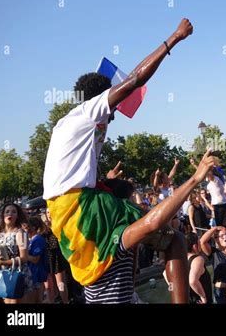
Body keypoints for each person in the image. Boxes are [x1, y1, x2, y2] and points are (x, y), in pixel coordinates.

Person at [42, 18, 202, 304]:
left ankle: (131, 282)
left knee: (129, 200)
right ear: (102, 98)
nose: (114, 115)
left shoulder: (71, 128)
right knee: (171, 236)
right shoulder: (87, 112)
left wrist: (106, 181)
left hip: (68, 213)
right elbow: (135, 80)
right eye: (112, 107)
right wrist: (174, 38)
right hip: (82, 209)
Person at [0, 204, 33, 303]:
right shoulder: (0, 233)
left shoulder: (20, 233)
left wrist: (2, 262)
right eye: (7, 211)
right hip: (3, 274)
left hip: (17, 274)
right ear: (3, 215)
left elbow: (24, 258)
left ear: (17, 216)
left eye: (14, 212)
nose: (10, 214)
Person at [200, 226, 226, 304]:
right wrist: (215, 228)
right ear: (216, 239)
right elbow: (202, 242)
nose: (225, 237)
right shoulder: (213, 253)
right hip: (221, 293)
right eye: (221, 236)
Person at [42, 208, 70, 304]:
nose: (49, 214)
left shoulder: (59, 225)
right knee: (50, 284)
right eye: (47, 212)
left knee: (61, 283)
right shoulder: (43, 227)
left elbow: (57, 244)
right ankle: (55, 299)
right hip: (47, 257)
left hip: (57, 257)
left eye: (51, 212)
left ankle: (66, 301)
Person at [26, 216, 49, 304]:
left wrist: (22, 255)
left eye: (27, 227)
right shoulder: (30, 239)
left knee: (37, 300)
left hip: (37, 274)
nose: (25, 229)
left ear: (33, 227)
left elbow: (35, 259)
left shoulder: (38, 239)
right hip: (32, 273)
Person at [186, 233, 213, 304]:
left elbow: (165, 273)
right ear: (195, 246)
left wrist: (174, 289)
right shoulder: (198, 259)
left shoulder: (181, 259)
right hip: (199, 301)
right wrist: (203, 297)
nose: (200, 245)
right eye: (199, 243)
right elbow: (192, 281)